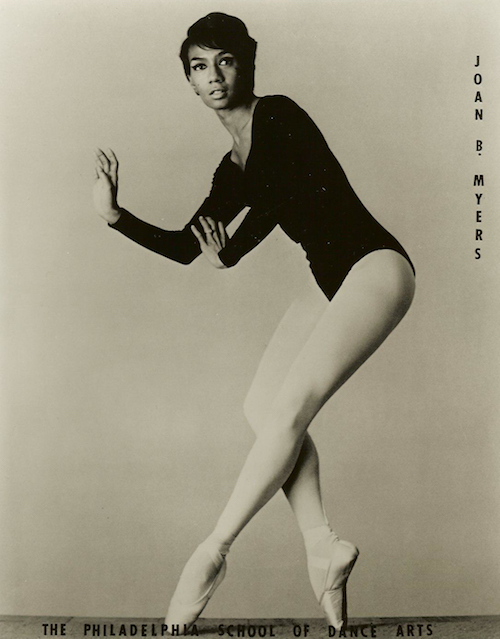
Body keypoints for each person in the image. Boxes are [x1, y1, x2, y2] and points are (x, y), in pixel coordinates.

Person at [93, 12, 416, 631]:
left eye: (225, 61)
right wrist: (116, 217)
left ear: (248, 63)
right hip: (334, 283)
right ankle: (322, 548)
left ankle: (213, 548)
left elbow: (276, 195)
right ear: (188, 81)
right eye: (198, 66)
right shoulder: (229, 169)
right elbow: (191, 245)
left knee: (291, 405)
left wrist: (233, 253)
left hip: (376, 268)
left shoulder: (280, 116)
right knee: (264, 408)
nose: (213, 76)